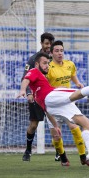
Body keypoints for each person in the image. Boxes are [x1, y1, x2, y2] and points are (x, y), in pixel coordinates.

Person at [17, 52, 89, 169]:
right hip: (51, 96)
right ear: (37, 63)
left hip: (51, 106)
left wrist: (55, 125)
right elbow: (25, 79)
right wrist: (23, 90)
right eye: (44, 63)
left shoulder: (41, 82)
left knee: (86, 123)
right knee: (78, 93)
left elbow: (47, 110)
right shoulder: (34, 71)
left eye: (48, 64)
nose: (47, 66)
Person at [46, 40, 89, 166]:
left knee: (75, 128)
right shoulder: (48, 68)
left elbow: (72, 74)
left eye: (61, 50)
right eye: (57, 51)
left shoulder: (69, 64)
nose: (60, 53)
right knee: (56, 135)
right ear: (51, 53)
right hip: (53, 104)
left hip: (67, 101)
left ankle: (83, 157)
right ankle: (63, 158)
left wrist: (77, 83)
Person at [21, 32, 55, 162]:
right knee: (34, 124)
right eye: (46, 43)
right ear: (41, 43)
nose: (49, 46)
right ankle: (28, 150)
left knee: (55, 123)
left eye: (50, 44)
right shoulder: (34, 59)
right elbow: (26, 77)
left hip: (52, 96)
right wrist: (29, 93)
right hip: (37, 96)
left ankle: (59, 152)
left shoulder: (56, 58)